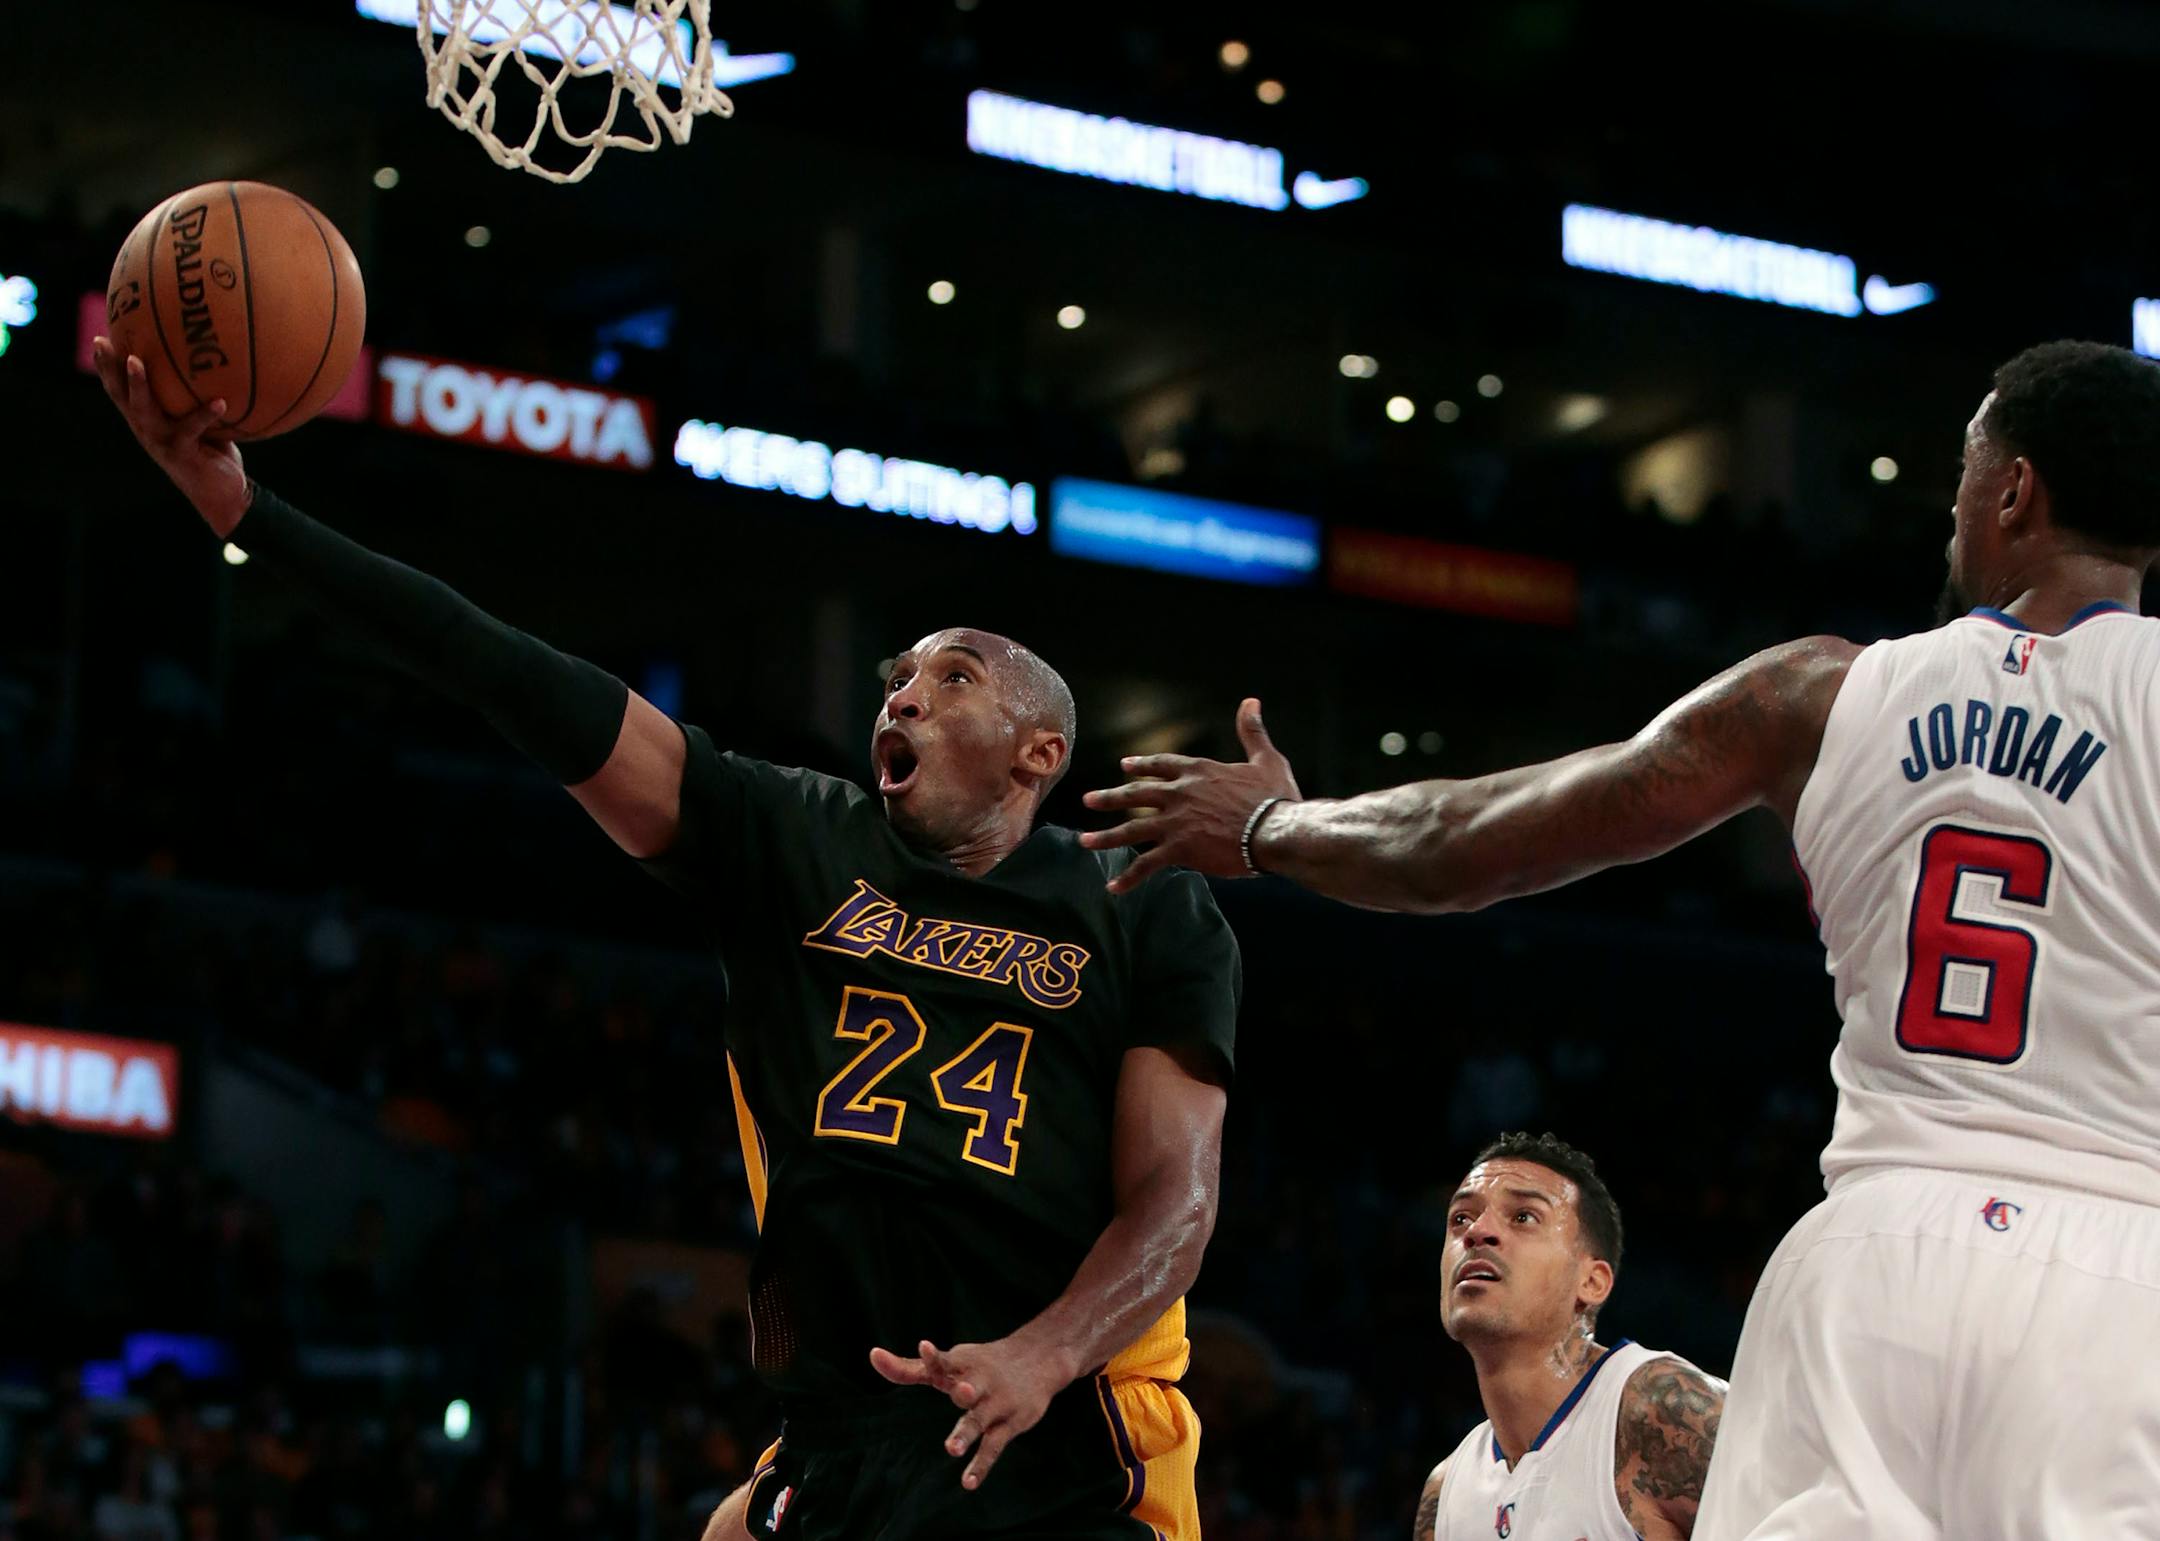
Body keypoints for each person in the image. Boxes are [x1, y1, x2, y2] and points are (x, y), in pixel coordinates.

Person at [93, 339, 1240, 1541]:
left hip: (1060, 1427)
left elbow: (1177, 1197)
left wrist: (1042, 1356)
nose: (900, 694)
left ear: (1037, 755)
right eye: (896, 677)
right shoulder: (784, 832)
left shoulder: (1137, 896)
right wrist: (250, 513)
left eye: (950, 679)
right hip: (842, 1435)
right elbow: (503, 668)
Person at [1083, 340, 2160, 1537]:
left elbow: (1472, 835)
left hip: (1875, 1254)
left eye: (1964, 468)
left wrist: (1279, 824)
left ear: (2012, 490)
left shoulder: (1818, 692)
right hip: (2123, 1277)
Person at [1413, 1133, 1722, 1541]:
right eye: (1460, 1219)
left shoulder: (1656, 1410)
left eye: (1523, 1217)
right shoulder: (1445, 1494)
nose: (1477, 1232)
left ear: (1591, 1282)